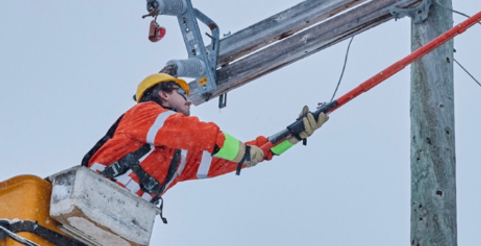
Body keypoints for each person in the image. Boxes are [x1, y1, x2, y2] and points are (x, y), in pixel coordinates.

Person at [83, 72, 328, 202]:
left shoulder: (181, 157)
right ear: (163, 95)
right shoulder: (142, 114)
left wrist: (292, 137)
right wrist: (242, 151)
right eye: (182, 92)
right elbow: (197, 133)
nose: (189, 100)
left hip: (118, 220)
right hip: (89, 196)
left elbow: (231, 159)